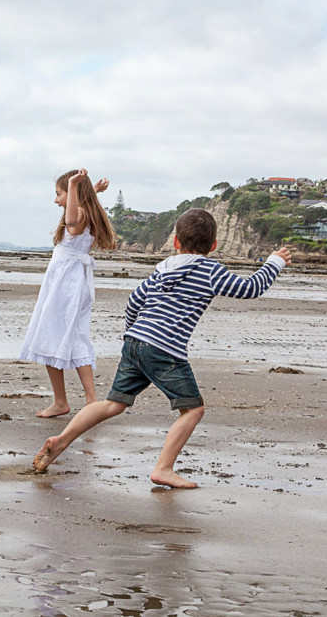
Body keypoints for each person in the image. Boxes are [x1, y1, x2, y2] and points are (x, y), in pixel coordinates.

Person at [33, 208, 292, 488]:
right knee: (193, 410)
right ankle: (163, 469)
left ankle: (62, 440)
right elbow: (251, 288)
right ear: (214, 245)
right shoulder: (210, 270)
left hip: (134, 342)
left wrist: (134, 334)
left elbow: (134, 301)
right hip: (165, 350)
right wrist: (274, 262)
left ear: (176, 241)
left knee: (112, 404)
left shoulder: (163, 268)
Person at [20, 169, 116, 417]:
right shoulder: (85, 209)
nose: (56, 200)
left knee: (53, 335)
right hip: (66, 283)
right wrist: (91, 190)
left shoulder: (78, 215)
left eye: (59, 194)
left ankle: (79, 400)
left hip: (66, 286)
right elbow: (78, 208)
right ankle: (72, 400)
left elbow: (72, 221)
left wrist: (73, 185)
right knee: (64, 337)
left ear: (73, 194)